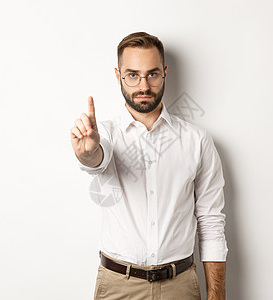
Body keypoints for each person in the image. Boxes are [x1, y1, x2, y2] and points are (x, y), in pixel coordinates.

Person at [70, 32, 228, 300]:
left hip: (180, 285)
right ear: (118, 75)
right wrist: (88, 153)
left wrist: (217, 294)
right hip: (119, 286)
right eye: (132, 75)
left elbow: (211, 221)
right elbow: (97, 161)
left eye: (152, 74)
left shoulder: (196, 140)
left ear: (164, 73)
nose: (143, 85)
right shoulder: (105, 135)